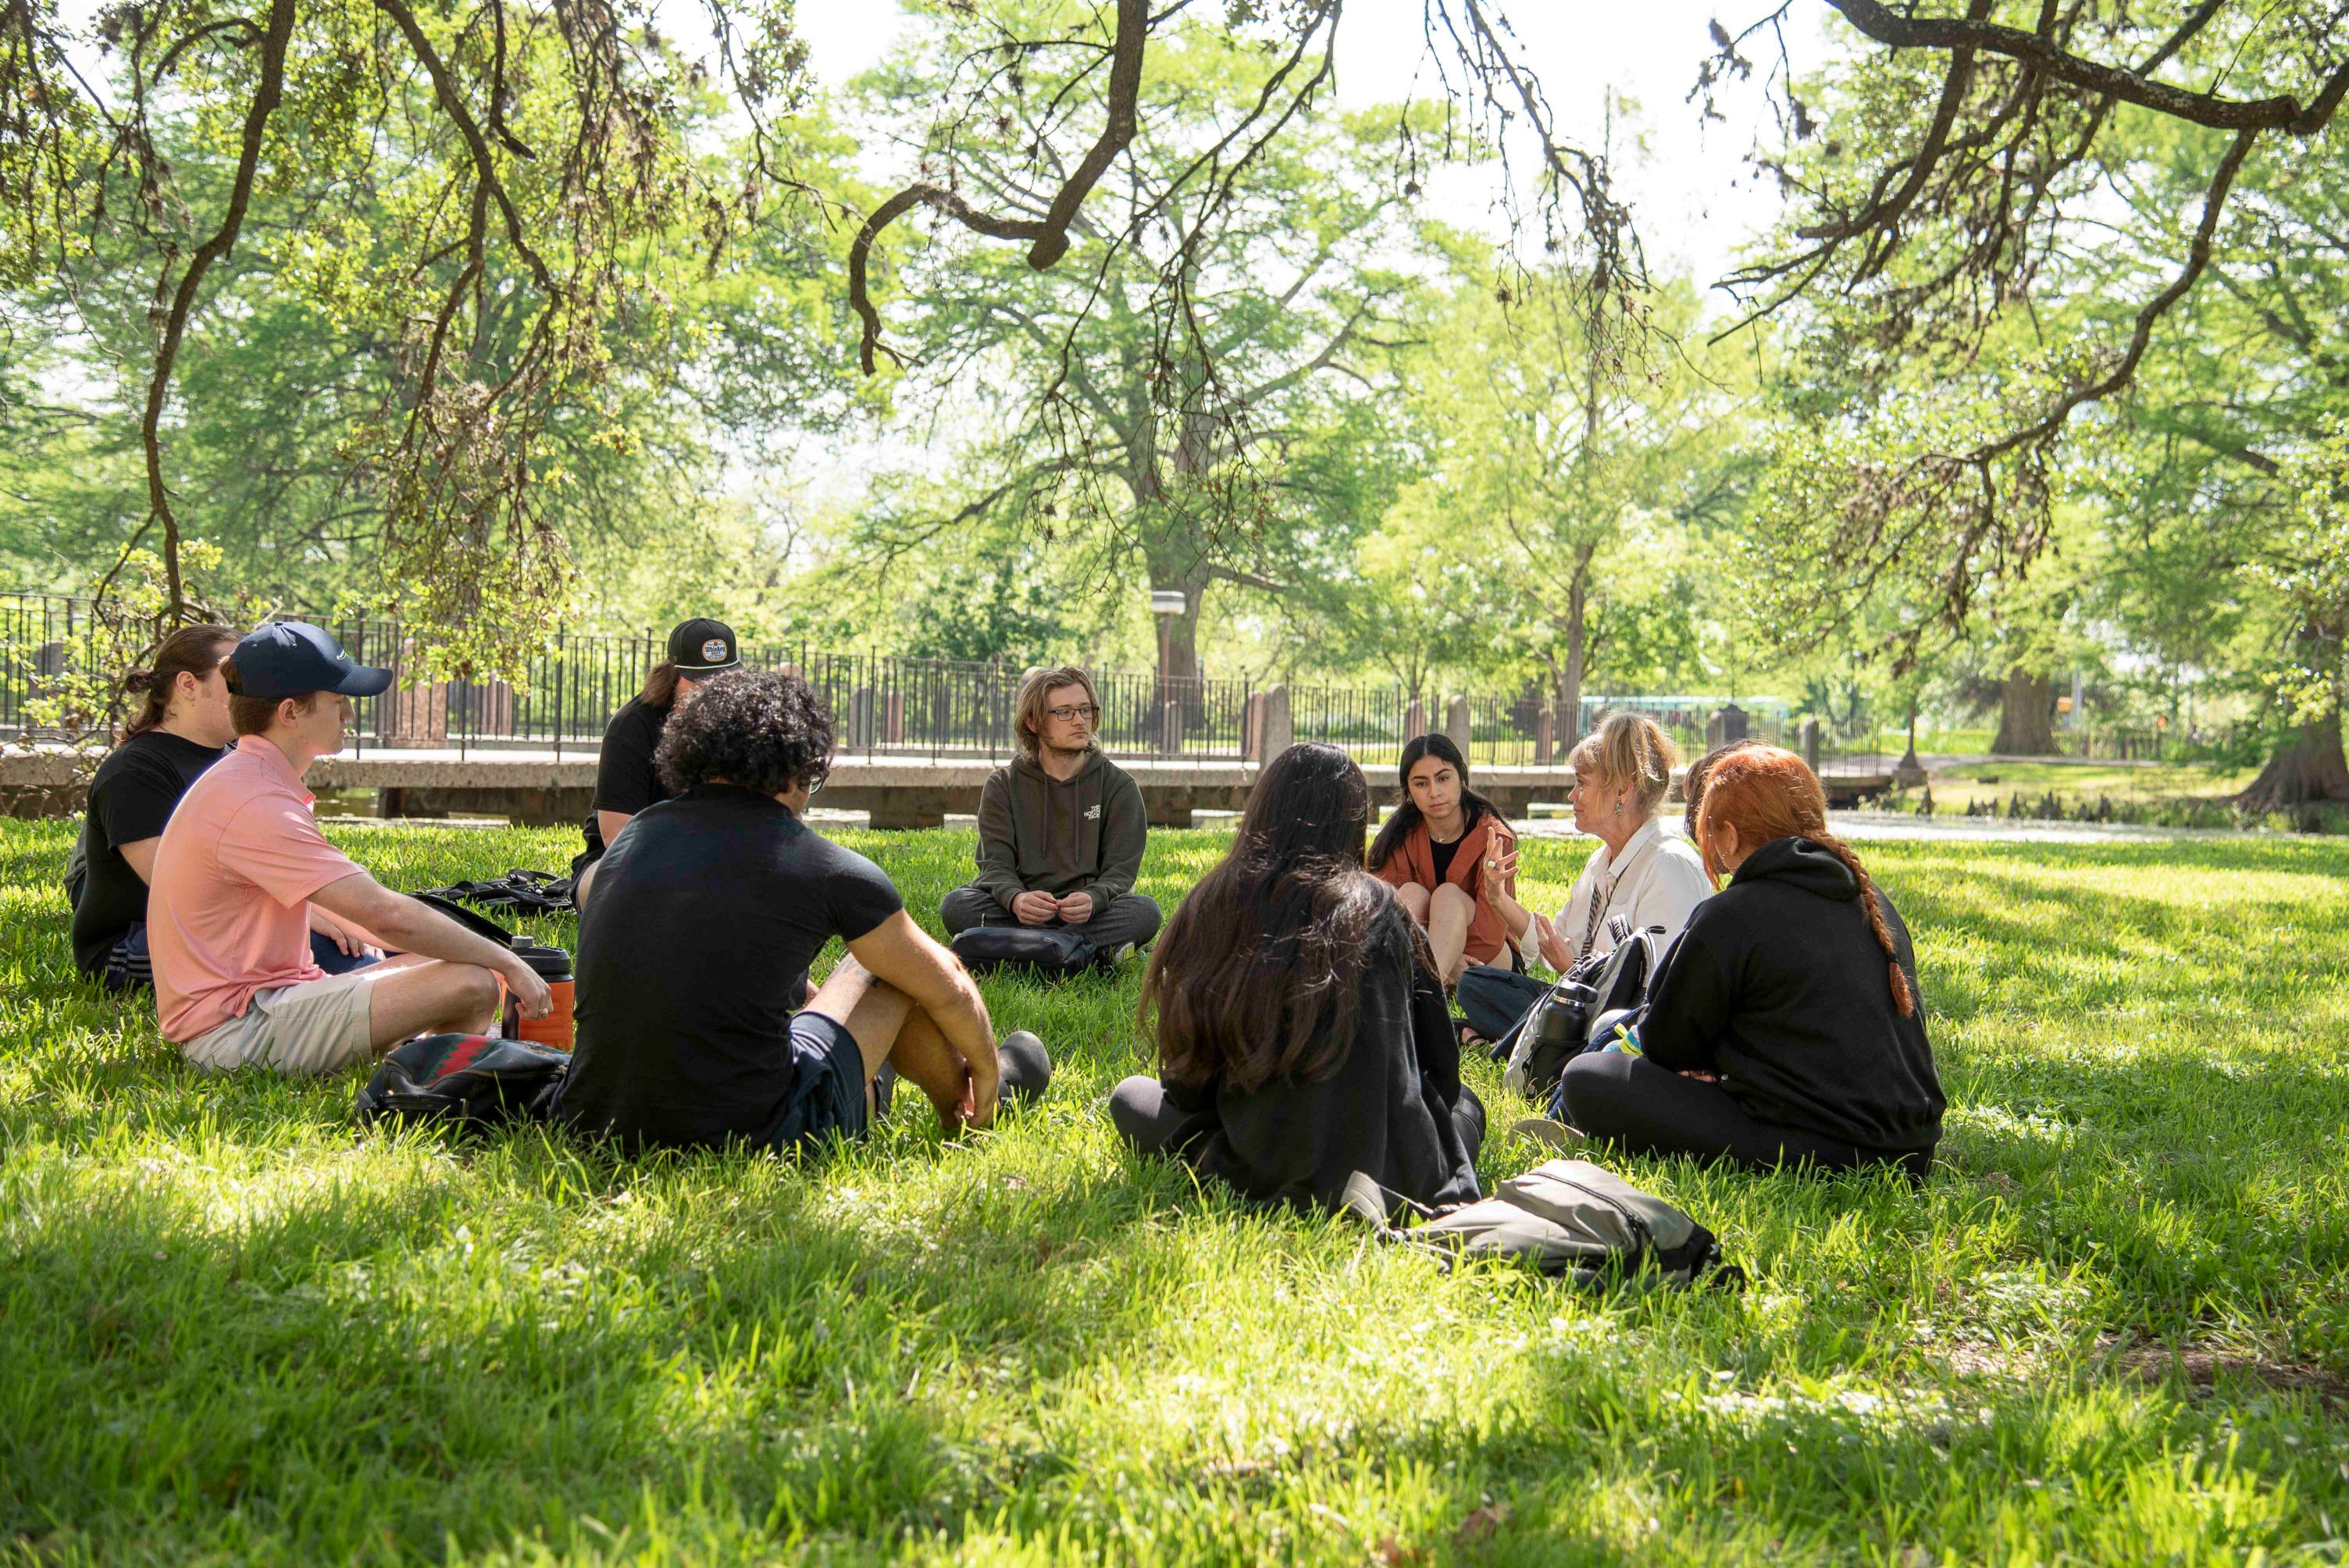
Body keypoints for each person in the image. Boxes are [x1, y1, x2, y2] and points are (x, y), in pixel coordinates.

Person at [556, 668, 1050, 1153]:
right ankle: (976, 1106)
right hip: (753, 1137)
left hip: (594, 1120)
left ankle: (903, 1083)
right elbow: (950, 986)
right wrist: (985, 1065)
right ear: (798, 767)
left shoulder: (631, 841)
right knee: (885, 967)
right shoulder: (821, 864)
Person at [146, 622, 555, 1074]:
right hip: (233, 1032)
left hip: (268, 1003)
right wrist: (505, 960)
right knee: (473, 982)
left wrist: (476, 953)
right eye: (338, 702)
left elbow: (364, 918)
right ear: (290, 712)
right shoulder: (255, 801)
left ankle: (433, 1055)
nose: (349, 716)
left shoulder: (251, 781)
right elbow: (384, 914)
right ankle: (435, 1078)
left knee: (453, 957)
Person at [1109, 743, 1483, 1215]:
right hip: (1383, 1168)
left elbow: (1187, 1082)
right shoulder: (1384, 908)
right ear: (1353, 822)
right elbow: (1440, 1068)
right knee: (1464, 1108)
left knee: (1130, 1097)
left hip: (1255, 1155)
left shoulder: (1214, 900)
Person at [1556, 745, 1944, 1178]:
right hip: (1914, 1149)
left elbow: (1666, 1045)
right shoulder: (1876, 906)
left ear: (1729, 835)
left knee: (1588, 1077)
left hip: (1819, 1147)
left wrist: (1713, 1067)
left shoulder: (1732, 913)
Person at [69, 625, 380, 990]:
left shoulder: (237, 758)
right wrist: (311, 914)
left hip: (234, 925)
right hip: (133, 947)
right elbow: (183, 891)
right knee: (333, 953)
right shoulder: (134, 771)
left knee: (376, 942)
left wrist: (340, 911)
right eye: (235, 676)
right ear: (188, 686)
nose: (252, 689)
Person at [1456, 713, 1713, 1045]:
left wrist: (1574, 974)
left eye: (1582, 783)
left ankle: (1515, 1041)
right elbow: (1557, 943)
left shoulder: (1667, 864)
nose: (1571, 796)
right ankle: (1529, 1040)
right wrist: (1497, 899)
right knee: (1475, 983)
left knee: (1575, 1019)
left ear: (1621, 789)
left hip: (1628, 1024)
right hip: (1584, 1002)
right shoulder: (1601, 861)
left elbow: (1658, 992)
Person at [938, 665, 1160, 960]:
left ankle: (1019, 946)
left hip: (1087, 914)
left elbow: (1121, 872)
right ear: (1033, 721)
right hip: (1021, 911)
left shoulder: (1119, 786)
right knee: (957, 905)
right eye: (1064, 712)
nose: (1080, 720)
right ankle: (1079, 949)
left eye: (1086, 710)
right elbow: (995, 865)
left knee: (1145, 912)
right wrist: (1016, 899)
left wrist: (1093, 899)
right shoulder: (1003, 785)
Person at [571, 617, 741, 903]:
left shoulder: (745, 724)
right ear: (673, 675)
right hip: (626, 863)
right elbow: (617, 837)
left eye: (723, 680)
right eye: (699, 682)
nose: (712, 693)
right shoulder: (632, 726)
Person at [1366, 733, 1518, 985]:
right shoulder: (1396, 838)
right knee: (1411, 894)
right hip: (1424, 954)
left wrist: (1452, 953)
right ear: (1409, 792)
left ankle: (1426, 995)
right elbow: (1377, 922)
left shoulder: (1494, 837)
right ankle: (1422, 985)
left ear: (1462, 778)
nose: (1434, 792)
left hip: (1489, 960)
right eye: (1421, 783)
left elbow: (1492, 936)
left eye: (1443, 778)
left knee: (1448, 895)